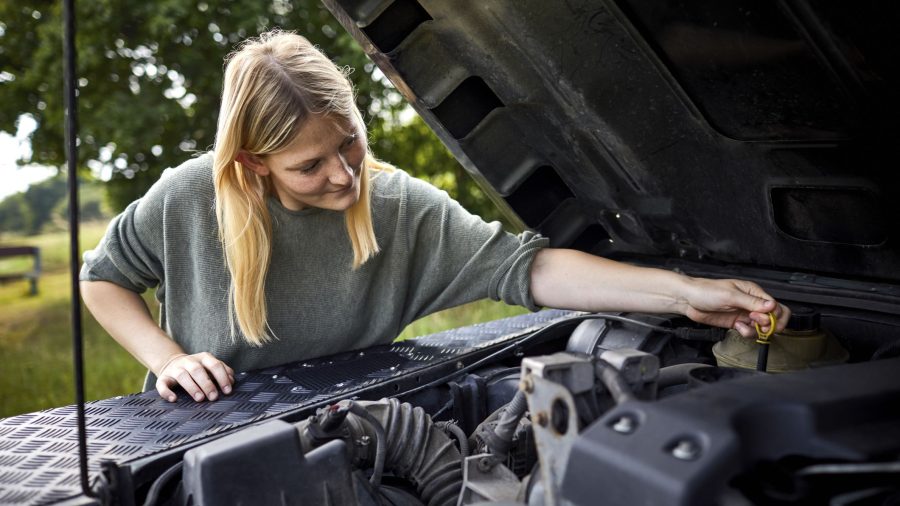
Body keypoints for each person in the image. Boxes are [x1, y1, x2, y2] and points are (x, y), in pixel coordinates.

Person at [80, 30, 789, 404]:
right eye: (309, 166)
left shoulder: (395, 206)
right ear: (254, 164)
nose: (344, 174)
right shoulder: (188, 196)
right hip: (203, 437)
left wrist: (683, 292)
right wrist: (168, 360)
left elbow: (530, 268)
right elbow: (102, 279)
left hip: (352, 426)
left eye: (350, 140)